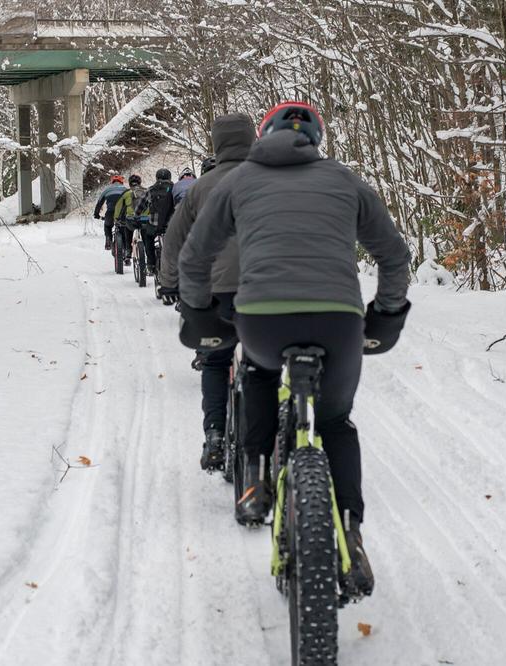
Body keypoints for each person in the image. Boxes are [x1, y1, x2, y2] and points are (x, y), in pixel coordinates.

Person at [176, 102, 411, 596]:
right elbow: (393, 255)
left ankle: (254, 477)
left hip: (262, 320)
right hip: (338, 321)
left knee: (259, 374)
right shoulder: (345, 180)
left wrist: (199, 311)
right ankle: (350, 532)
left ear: (263, 136)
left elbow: (194, 255)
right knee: (334, 422)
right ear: (316, 139)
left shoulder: (239, 181)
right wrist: (386, 313)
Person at [157, 114, 256, 471]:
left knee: (215, 361)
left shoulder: (200, 188)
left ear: (217, 144)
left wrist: (169, 282)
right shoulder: (273, 179)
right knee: (264, 364)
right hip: (265, 290)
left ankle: (215, 434)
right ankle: (265, 442)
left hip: (215, 292)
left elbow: (173, 242)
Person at [113, 174, 145, 266]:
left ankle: (128, 252)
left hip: (131, 219)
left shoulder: (126, 193)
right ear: (140, 182)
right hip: (145, 219)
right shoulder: (146, 191)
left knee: (127, 229)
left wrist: (116, 219)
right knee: (146, 233)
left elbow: (118, 208)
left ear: (130, 183)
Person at [94, 175, 127, 250]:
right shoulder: (125, 190)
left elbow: (99, 203)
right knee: (124, 228)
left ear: (112, 182)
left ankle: (108, 240)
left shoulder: (107, 190)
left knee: (108, 226)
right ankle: (126, 247)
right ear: (121, 182)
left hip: (110, 212)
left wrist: (96, 214)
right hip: (122, 213)